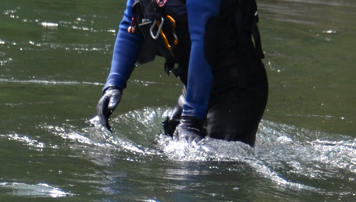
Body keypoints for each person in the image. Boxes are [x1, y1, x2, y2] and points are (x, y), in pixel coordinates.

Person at [96, 0, 268, 146]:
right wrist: (114, 85)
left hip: (237, 88)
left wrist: (191, 117)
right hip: (196, 89)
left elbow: (202, 43)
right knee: (170, 143)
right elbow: (131, 24)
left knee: (208, 173)